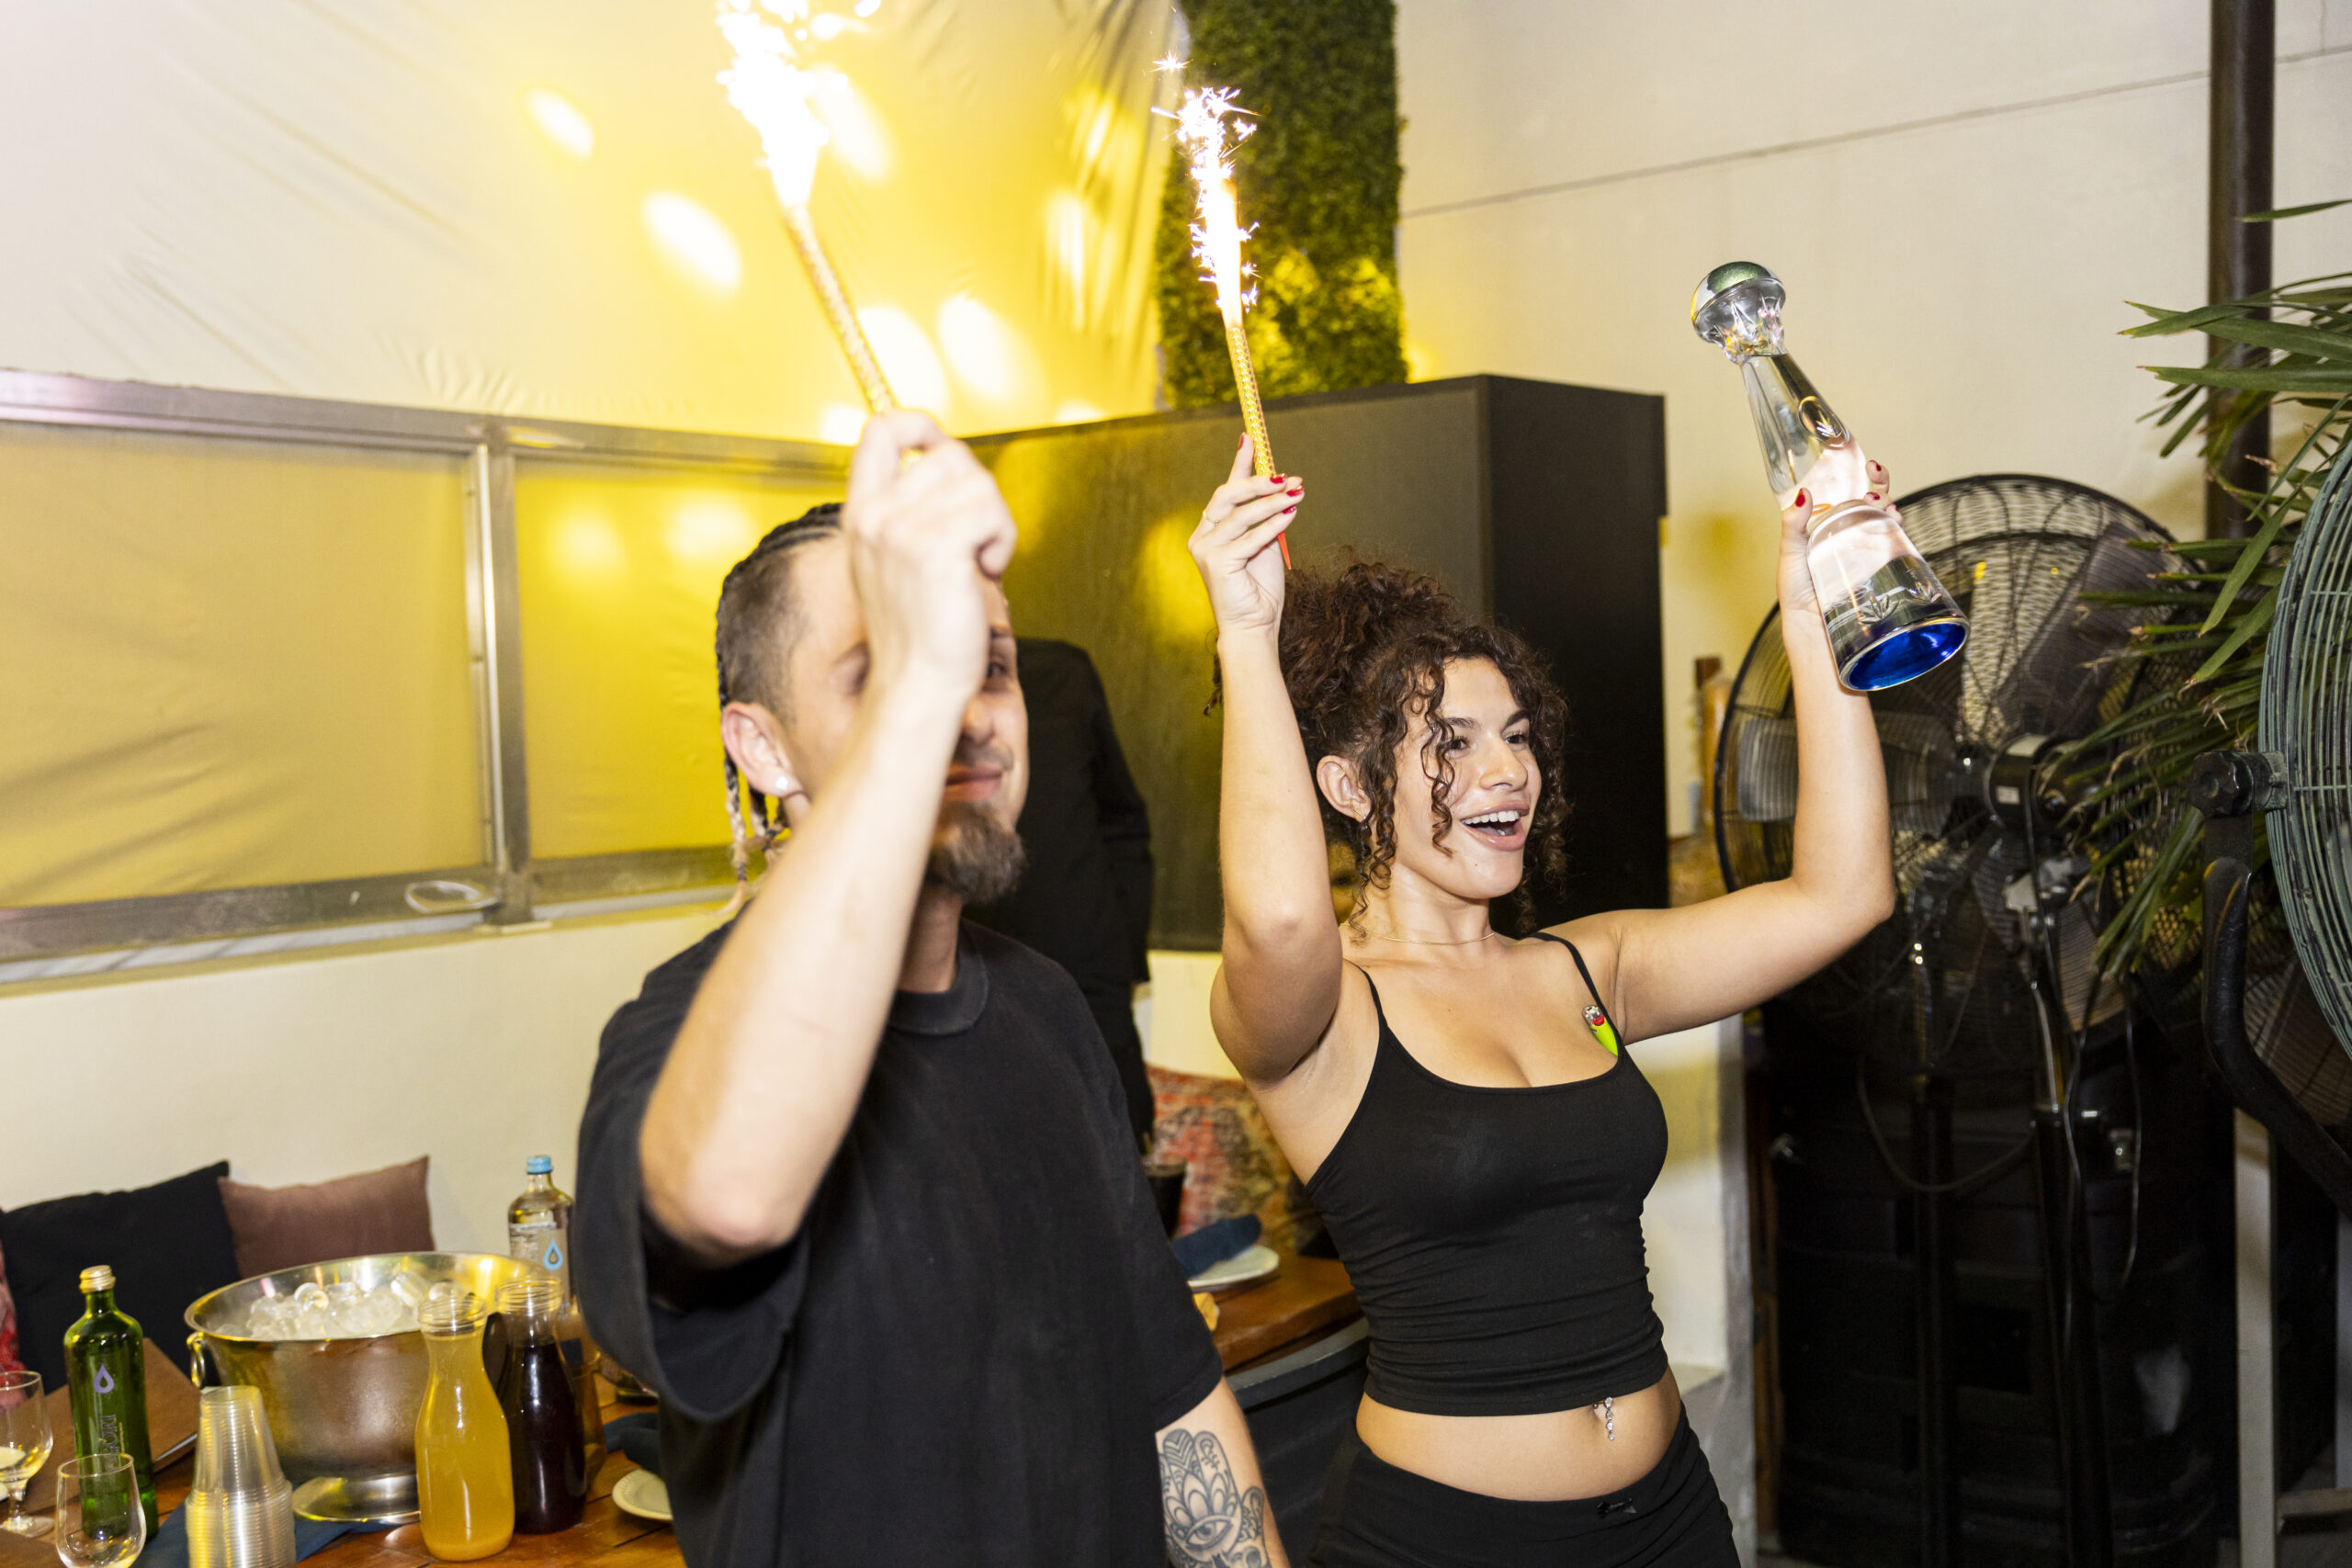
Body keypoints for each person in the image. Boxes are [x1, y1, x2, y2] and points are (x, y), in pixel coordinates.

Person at [574, 412, 1287, 1568]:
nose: (969, 707)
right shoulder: (675, 1036)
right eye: (888, 668)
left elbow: (1171, 1396)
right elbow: (729, 1200)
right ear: (762, 748)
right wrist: (929, 684)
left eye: (989, 665)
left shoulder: (1046, 1009)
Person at [1188, 436, 1894, 1566]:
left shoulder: (1585, 969)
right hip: (1449, 1540)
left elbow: (1843, 892)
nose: (1507, 772)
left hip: (1669, 1519)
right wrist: (1245, 635)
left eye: (1516, 738)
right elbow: (1278, 921)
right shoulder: (1321, 1020)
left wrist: (1812, 619)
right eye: (1452, 744)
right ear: (1350, 785)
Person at [969, 637, 1159, 1147]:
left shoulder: (1062, 673)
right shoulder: (904, 687)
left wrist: (1120, 960)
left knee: (1121, 1146)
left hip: (1088, 981)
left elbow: (1124, 822)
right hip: (975, 988)